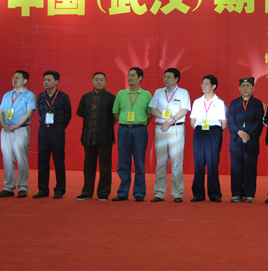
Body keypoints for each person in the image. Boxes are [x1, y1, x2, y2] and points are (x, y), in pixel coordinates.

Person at [149, 68, 191, 203]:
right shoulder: (158, 92)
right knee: (161, 162)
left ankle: (177, 193)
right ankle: (159, 193)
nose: (166, 79)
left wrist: (170, 121)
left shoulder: (183, 92)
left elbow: (184, 110)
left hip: (176, 128)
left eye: (169, 77)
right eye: (165, 77)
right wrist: (164, 118)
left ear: (177, 79)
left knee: (177, 162)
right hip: (161, 128)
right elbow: (153, 109)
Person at [112, 67, 152, 202]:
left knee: (139, 162)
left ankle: (139, 193)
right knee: (123, 162)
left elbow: (150, 114)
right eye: (128, 75)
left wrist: (139, 124)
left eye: (133, 75)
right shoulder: (121, 93)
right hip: (123, 130)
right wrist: (125, 123)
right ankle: (123, 192)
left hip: (140, 130)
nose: (129, 78)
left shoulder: (146, 94)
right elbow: (115, 112)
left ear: (140, 78)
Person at [76, 72, 116, 201]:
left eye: (101, 80)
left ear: (106, 82)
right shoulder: (85, 97)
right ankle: (87, 192)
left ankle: (103, 193)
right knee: (88, 167)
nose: (99, 82)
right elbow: (82, 115)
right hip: (88, 137)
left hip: (105, 137)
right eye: (96, 79)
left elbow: (115, 117)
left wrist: (106, 127)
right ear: (92, 82)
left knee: (105, 168)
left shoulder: (111, 98)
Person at [0, 70, 36, 198]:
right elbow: (1, 111)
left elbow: (29, 113)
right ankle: (8, 187)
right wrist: (3, 125)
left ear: (25, 81)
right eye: (13, 77)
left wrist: (17, 125)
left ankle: (22, 186)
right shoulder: (7, 95)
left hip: (20, 129)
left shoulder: (29, 95)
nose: (14, 80)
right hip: (6, 129)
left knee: (21, 158)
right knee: (7, 158)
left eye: (17, 78)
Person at [34, 71, 72, 199]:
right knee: (42, 161)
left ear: (56, 82)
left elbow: (68, 115)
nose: (46, 82)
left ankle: (60, 189)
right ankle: (43, 189)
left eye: (49, 80)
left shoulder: (63, 96)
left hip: (57, 131)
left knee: (58, 161)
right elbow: (39, 113)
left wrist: (59, 127)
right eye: (44, 80)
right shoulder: (40, 97)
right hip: (43, 131)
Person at [190, 75, 227, 202]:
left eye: (206, 84)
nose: (204, 86)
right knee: (198, 163)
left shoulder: (219, 102)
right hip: (200, 132)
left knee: (212, 163)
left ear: (214, 86)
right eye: (203, 84)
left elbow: (224, 123)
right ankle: (198, 194)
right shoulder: (197, 102)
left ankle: (214, 193)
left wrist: (215, 132)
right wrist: (200, 130)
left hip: (214, 132)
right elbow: (192, 120)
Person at [227, 77, 264, 203]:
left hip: (251, 141)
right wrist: (239, 133)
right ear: (239, 88)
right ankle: (236, 193)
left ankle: (249, 194)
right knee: (236, 169)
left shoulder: (258, 104)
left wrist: (248, 135)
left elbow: (259, 122)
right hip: (236, 141)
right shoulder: (234, 103)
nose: (245, 88)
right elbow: (231, 120)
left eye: (248, 86)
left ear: (253, 88)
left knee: (250, 168)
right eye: (243, 86)